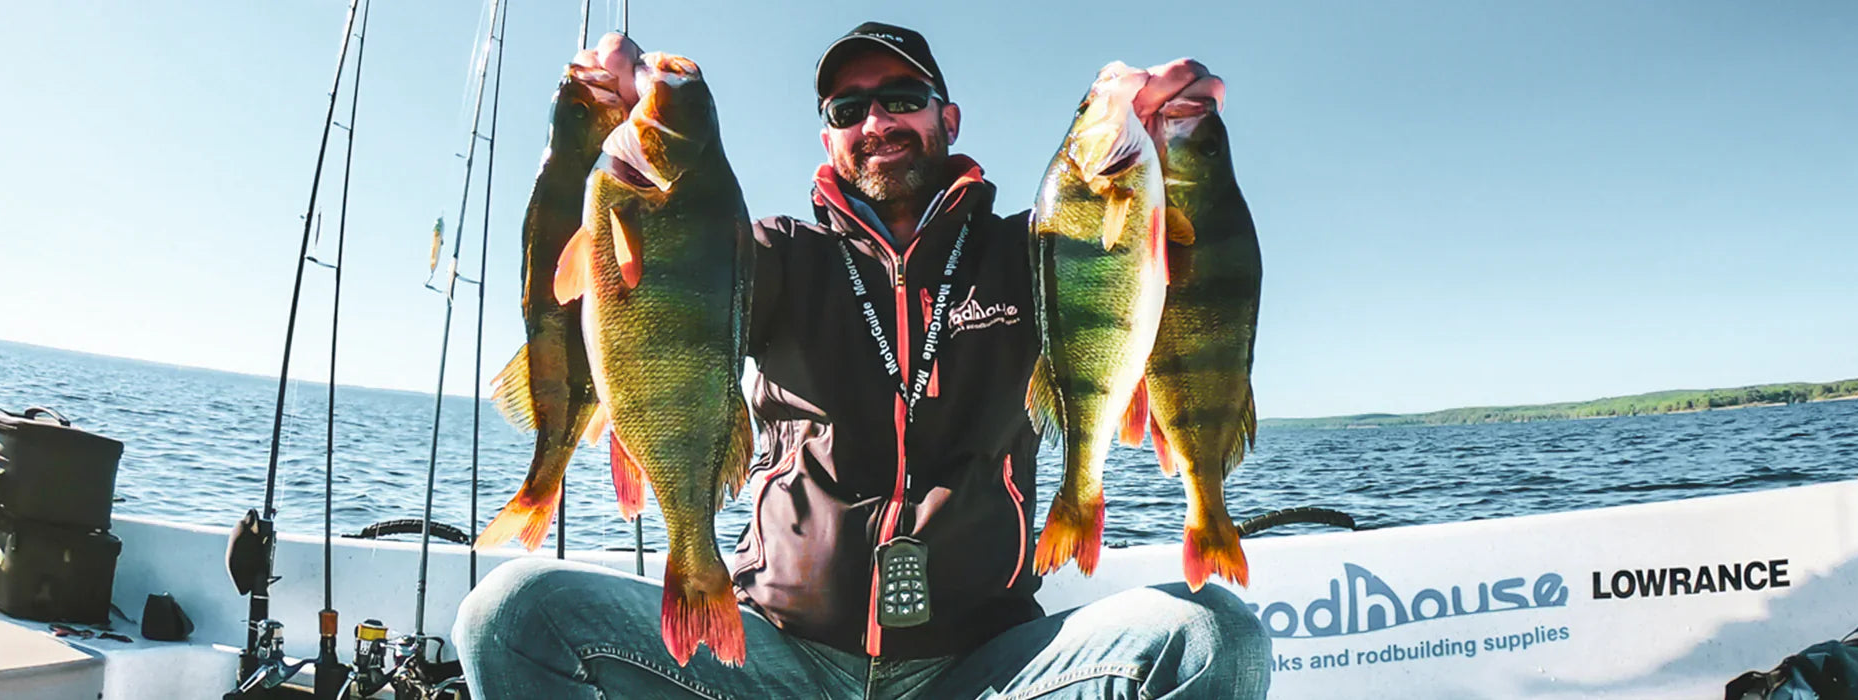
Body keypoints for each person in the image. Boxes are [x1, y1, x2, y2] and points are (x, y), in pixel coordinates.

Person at [455, 22, 1271, 700]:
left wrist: (1176, 139)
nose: (877, 121)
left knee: (1214, 641)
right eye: (850, 107)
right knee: (513, 614)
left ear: (948, 118)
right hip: (775, 653)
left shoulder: (1037, 252)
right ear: (828, 136)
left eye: (903, 100)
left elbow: (1166, 279)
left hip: (986, 667)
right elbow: (596, 302)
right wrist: (584, 139)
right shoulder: (772, 254)